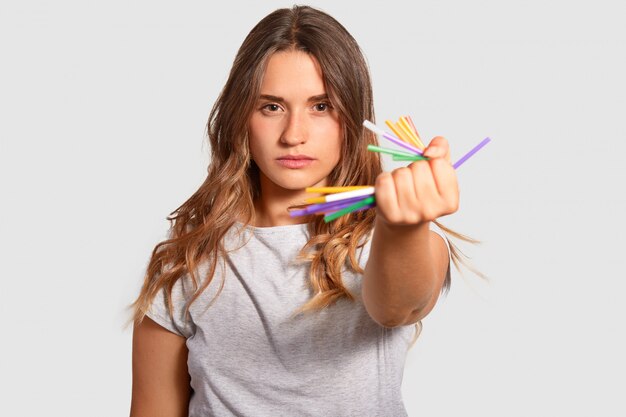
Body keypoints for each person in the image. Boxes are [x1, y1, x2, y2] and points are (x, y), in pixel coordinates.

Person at [129, 5, 477, 417]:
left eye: (321, 106)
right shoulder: (187, 261)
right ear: (242, 117)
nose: (294, 135)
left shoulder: (388, 241)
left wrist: (403, 227)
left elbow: (400, 305)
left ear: (353, 119)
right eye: (271, 107)